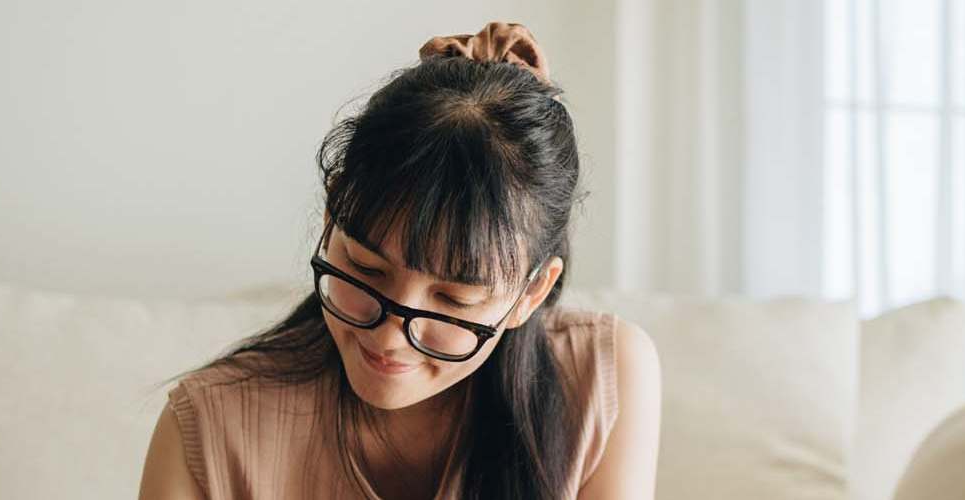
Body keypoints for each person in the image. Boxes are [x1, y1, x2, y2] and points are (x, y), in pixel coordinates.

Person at [136, 22, 662, 500]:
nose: (388, 337)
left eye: (453, 298)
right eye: (365, 269)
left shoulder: (601, 379)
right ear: (330, 219)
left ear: (532, 294)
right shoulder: (207, 430)